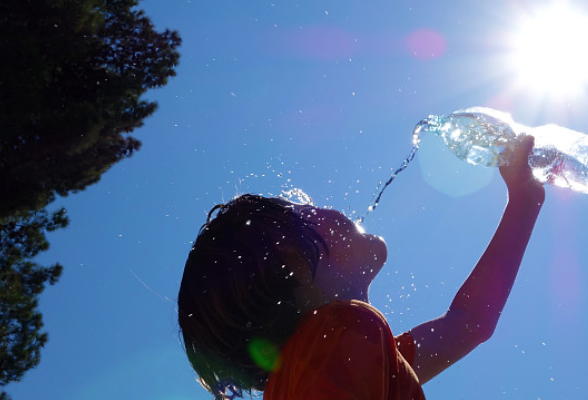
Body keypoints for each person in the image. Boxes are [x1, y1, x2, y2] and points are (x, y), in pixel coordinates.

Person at [178, 135, 545, 399]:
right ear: (292, 262)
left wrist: (524, 201)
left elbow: (469, 322)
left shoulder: (345, 355)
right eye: (304, 211)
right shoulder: (343, 331)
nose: (323, 207)